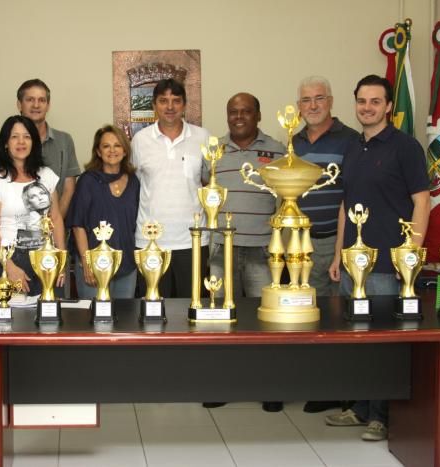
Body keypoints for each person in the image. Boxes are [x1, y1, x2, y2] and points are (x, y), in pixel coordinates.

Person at [325, 75, 431, 441]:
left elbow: (422, 201)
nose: (367, 107)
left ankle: (381, 417)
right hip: (354, 261)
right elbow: (345, 203)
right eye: (361, 101)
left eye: (375, 101)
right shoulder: (353, 147)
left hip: (388, 262)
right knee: (355, 340)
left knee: (383, 339)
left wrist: (411, 256)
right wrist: (338, 253)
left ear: (388, 106)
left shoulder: (406, 147)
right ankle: (359, 409)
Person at [202, 93, 285, 413]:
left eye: (245, 111)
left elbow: (286, 196)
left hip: (262, 251)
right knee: (220, 321)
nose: (238, 117)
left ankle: (269, 387)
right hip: (221, 250)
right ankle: (222, 385)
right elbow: (204, 191)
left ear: (258, 115)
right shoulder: (213, 150)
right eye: (233, 112)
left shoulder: (277, 149)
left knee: (265, 321)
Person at [293, 76, 360, 414]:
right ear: (299, 106)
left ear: (331, 101)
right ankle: (322, 384)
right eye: (306, 100)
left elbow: (352, 196)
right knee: (311, 315)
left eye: (319, 98)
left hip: (336, 241)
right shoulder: (294, 142)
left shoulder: (351, 140)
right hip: (301, 243)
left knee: (337, 316)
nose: (313, 106)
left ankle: (343, 389)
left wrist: (339, 249)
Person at [132, 78, 210, 298]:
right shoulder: (140, 140)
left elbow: (208, 183)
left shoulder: (202, 137)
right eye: (163, 101)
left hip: (192, 239)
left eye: (176, 101)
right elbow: (136, 185)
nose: (170, 107)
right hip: (150, 241)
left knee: (192, 304)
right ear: (154, 105)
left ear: (184, 105)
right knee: (153, 308)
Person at [0, 115, 65, 295]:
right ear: (5, 143)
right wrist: (9, 266)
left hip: (46, 257)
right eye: (14, 137)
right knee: (14, 321)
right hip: (10, 257)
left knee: (49, 318)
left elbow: (56, 218)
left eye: (27, 136)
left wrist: (61, 259)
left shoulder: (47, 175)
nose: (21, 142)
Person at [67, 125, 140, 299]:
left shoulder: (134, 181)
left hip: (126, 265)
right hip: (94, 265)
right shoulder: (88, 181)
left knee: (124, 321)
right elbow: (78, 226)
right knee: (94, 320)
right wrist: (87, 263)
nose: (112, 150)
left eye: (117, 145)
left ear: (125, 151)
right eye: (106, 146)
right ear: (98, 152)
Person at [16, 79, 80, 218]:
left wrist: (55, 223)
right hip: (18, 231)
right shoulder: (5, 143)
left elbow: (69, 188)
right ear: (19, 104)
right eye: (30, 99)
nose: (36, 105)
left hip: (57, 228)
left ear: (48, 105)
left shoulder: (64, 141)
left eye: (42, 100)